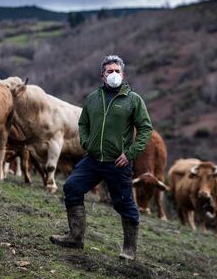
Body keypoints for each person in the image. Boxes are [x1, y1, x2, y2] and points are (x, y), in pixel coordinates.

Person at [50, 55, 153, 261]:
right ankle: (75, 237)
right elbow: (83, 124)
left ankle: (129, 249)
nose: (113, 74)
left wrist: (130, 153)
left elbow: (145, 128)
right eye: (109, 71)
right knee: (71, 187)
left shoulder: (133, 100)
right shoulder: (92, 99)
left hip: (118, 162)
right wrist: (87, 143)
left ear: (123, 74)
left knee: (124, 204)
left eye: (117, 71)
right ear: (102, 75)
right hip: (93, 159)